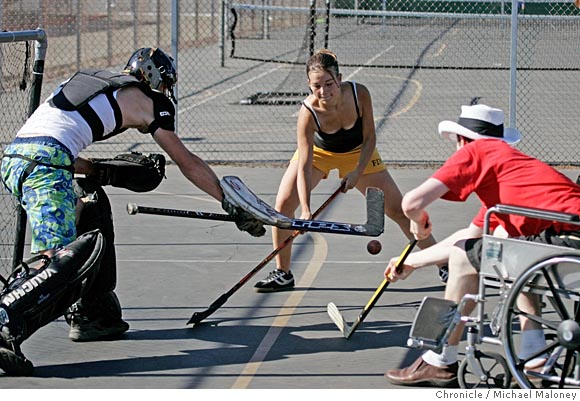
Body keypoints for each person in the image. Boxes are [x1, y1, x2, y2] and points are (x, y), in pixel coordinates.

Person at [0, 47, 264, 375]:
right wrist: (229, 202)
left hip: (19, 159)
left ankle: (94, 316)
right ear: (153, 77)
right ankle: (4, 322)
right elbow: (186, 161)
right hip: (46, 166)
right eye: (165, 85)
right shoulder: (151, 101)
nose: (166, 93)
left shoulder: (89, 80)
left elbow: (51, 140)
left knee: (90, 206)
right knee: (58, 261)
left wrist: (99, 171)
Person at [383, 103, 580, 387]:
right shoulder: (508, 172)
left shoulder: (477, 151)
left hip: (565, 241)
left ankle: (440, 358)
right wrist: (412, 261)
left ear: (462, 141)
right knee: (509, 249)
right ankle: (534, 356)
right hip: (564, 242)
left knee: (464, 259)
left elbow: (411, 203)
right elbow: (469, 235)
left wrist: (417, 220)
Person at [253, 49, 445, 293]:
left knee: (398, 210)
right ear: (308, 85)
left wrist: (356, 172)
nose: (324, 91)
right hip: (320, 154)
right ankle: (283, 273)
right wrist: (306, 209)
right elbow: (303, 162)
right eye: (316, 86)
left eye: (329, 83)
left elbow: (370, 138)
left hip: (359, 153)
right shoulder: (308, 113)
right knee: (283, 206)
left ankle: (443, 263)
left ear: (340, 78)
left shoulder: (359, 94)